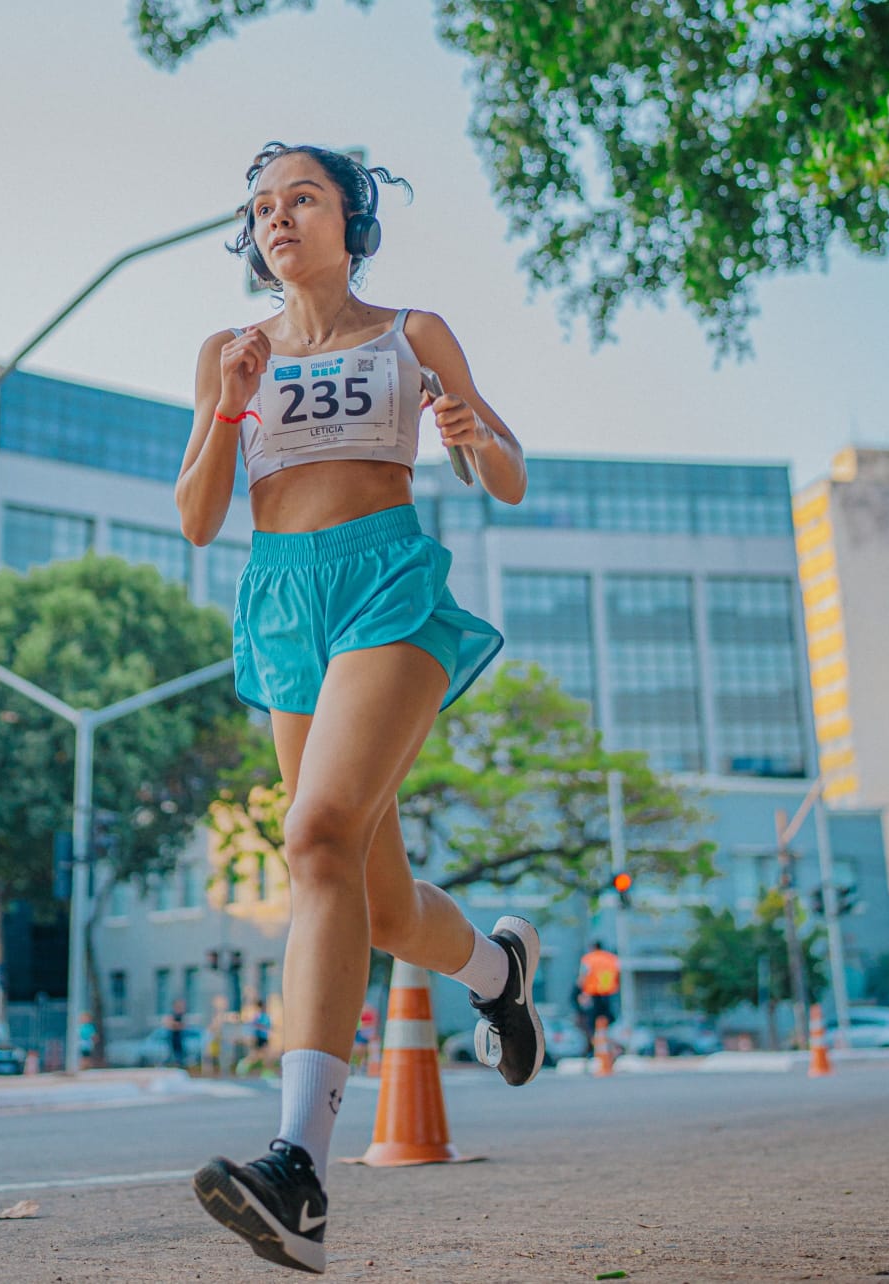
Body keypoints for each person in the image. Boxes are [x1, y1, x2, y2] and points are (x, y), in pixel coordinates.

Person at [178, 141, 543, 1275]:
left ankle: (297, 1169)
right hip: (281, 602)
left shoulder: (411, 332)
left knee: (313, 835)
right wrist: (228, 412)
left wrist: (473, 443)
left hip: (384, 579)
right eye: (262, 207)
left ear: (349, 221)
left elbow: (510, 472)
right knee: (370, 903)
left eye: (302, 199)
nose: (278, 218)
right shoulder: (226, 353)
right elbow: (197, 518)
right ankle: (494, 972)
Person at [577, 940, 621, 1053]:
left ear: (592, 947)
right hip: (608, 993)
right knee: (608, 1020)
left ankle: (597, 1045)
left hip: (593, 993)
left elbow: (583, 976)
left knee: (592, 1023)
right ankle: (607, 1042)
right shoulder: (611, 958)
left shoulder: (588, 959)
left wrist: (581, 992)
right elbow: (617, 975)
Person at [165, 998, 188, 1069]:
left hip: (180, 1038)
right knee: (174, 1053)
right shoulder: (174, 1015)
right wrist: (176, 1025)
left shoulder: (181, 1015)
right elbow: (169, 1024)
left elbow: (183, 1026)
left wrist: (177, 1025)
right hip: (174, 1038)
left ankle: (179, 1065)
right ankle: (175, 1065)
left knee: (179, 1054)